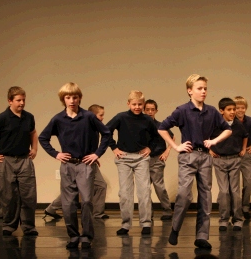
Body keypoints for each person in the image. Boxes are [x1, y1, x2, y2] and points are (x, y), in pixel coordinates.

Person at [158, 74, 232, 249]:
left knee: (206, 196)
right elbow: (162, 128)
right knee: (184, 194)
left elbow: (227, 129)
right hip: (188, 156)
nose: (204, 91)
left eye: (205, 88)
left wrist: (214, 142)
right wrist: (176, 147)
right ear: (190, 91)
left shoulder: (212, 111)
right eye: (200, 88)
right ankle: (175, 228)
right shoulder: (182, 110)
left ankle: (202, 236)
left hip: (205, 156)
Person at [39, 82, 110, 249]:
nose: (72, 100)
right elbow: (43, 137)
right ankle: (73, 236)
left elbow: (106, 133)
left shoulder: (88, 117)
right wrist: (56, 154)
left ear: (80, 98)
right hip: (67, 166)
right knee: (68, 203)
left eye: (75, 97)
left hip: (85, 164)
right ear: (63, 99)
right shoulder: (58, 119)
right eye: (68, 97)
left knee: (86, 201)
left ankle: (86, 236)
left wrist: (96, 153)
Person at [0, 86, 38, 236]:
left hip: (24, 160)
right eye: (18, 100)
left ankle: (28, 226)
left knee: (28, 195)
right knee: (9, 195)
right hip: (6, 160)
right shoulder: (2, 118)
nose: (21, 103)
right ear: (10, 101)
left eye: (23, 100)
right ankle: (9, 225)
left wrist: (34, 149)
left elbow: (33, 133)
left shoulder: (29, 117)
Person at [106, 91, 158, 235]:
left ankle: (146, 223)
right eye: (134, 104)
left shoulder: (147, 120)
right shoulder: (121, 117)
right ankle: (126, 225)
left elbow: (156, 135)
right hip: (124, 159)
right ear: (128, 103)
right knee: (125, 193)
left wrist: (150, 148)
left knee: (144, 192)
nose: (137, 107)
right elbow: (106, 131)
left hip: (141, 158)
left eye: (140, 104)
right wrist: (114, 148)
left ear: (143, 104)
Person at [210, 97, 248, 231]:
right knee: (224, 191)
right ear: (221, 111)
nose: (233, 112)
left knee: (235, 191)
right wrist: (210, 150)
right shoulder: (215, 124)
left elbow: (245, 135)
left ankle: (238, 219)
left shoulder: (238, 124)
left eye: (234, 109)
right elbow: (206, 137)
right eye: (229, 110)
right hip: (220, 160)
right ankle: (224, 219)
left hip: (234, 159)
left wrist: (243, 149)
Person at [144, 99, 174, 220]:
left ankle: (167, 211)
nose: (150, 112)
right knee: (145, 189)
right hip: (143, 160)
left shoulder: (160, 125)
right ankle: (148, 214)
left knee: (159, 187)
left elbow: (172, 137)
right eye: (147, 109)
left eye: (152, 109)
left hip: (156, 159)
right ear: (143, 110)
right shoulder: (140, 126)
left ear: (156, 111)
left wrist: (167, 151)